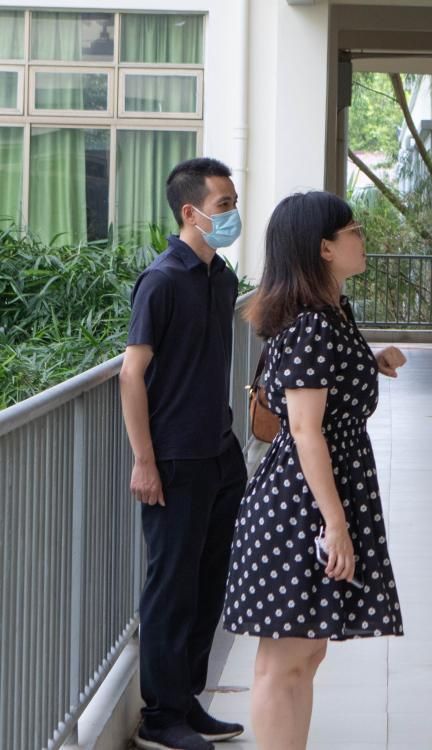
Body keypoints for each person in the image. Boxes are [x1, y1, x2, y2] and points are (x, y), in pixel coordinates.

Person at [223, 191, 406, 748]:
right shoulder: (313, 326)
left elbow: (319, 393)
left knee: (306, 650)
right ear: (324, 248)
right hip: (302, 504)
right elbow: (305, 430)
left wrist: (369, 363)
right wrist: (336, 523)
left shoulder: (332, 315)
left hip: (318, 494)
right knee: (286, 659)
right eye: (354, 231)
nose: (362, 239)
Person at [121, 158, 249, 750]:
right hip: (174, 458)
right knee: (171, 588)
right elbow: (131, 373)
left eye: (233, 202)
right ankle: (160, 716)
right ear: (190, 212)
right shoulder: (162, 280)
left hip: (220, 452)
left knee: (207, 583)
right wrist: (144, 460)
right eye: (224, 205)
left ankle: (187, 700)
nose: (233, 213)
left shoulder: (221, 277)